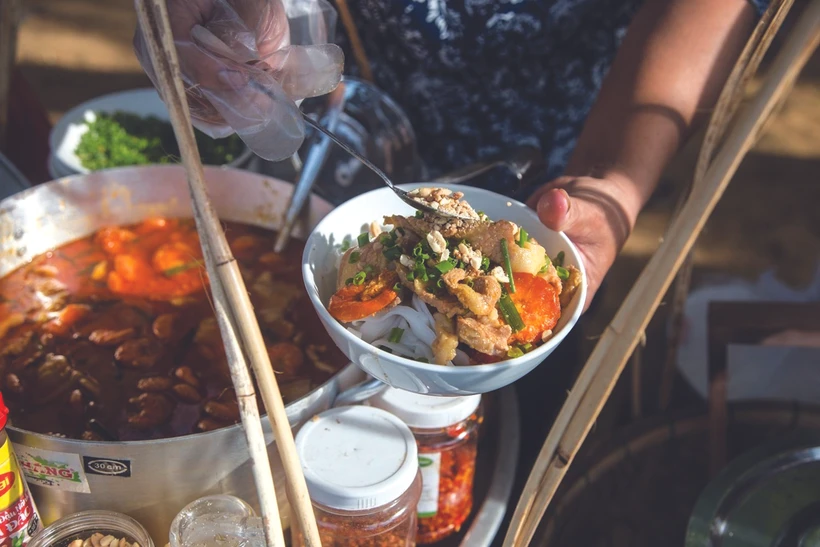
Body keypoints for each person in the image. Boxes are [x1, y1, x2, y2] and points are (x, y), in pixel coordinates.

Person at [135, 0, 768, 538]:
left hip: (585, 146)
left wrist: (616, 183)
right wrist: (250, 27)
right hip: (379, 117)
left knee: (522, 425)